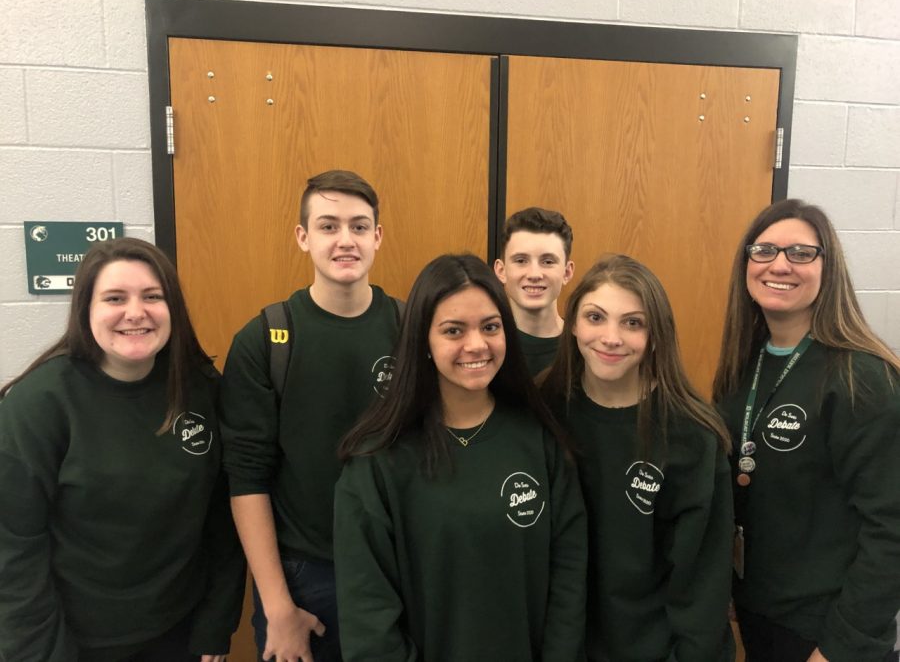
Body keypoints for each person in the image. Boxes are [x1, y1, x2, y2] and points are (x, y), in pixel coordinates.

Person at [0, 237, 245, 662]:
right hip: (72, 641)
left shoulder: (200, 389)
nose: (136, 312)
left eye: (153, 296)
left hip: (180, 634)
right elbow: (14, 549)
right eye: (115, 298)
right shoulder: (39, 404)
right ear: (86, 310)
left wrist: (216, 627)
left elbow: (223, 521)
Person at [334, 254, 587, 662]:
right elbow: (369, 622)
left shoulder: (541, 440)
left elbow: (569, 584)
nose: (476, 345)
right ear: (424, 342)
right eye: (453, 330)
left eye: (490, 327)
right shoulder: (377, 461)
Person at [220, 170, 401, 662]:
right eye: (328, 226)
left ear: (378, 237)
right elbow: (246, 480)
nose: (346, 240)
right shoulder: (264, 339)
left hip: (399, 570)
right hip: (302, 579)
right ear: (303, 237)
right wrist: (278, 608)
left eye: (360, 226)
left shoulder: (412, 330)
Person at [712, 199, 900, 662]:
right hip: (761, 618)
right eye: (764, 250)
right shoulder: (743, 367)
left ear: (827, 267)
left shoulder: (862, 376)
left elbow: (891, 527)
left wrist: (842, 646)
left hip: (829, 634)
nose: (779, 264)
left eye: (800, 253)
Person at [542, 253, 735, 662]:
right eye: (596, 317)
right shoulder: (542, 411)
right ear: (572, 322)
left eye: (632, 322)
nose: (611, 337)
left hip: (654, 649)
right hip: (558, 643)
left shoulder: (691, 436)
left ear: (655, 334)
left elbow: (703, 583)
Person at [494, 206, 575, 376]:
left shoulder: (586, 346)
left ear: (567, 272)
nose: (534, 274)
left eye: (547, 262)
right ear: (501, 271)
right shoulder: (486, 345)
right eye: (521, 260)